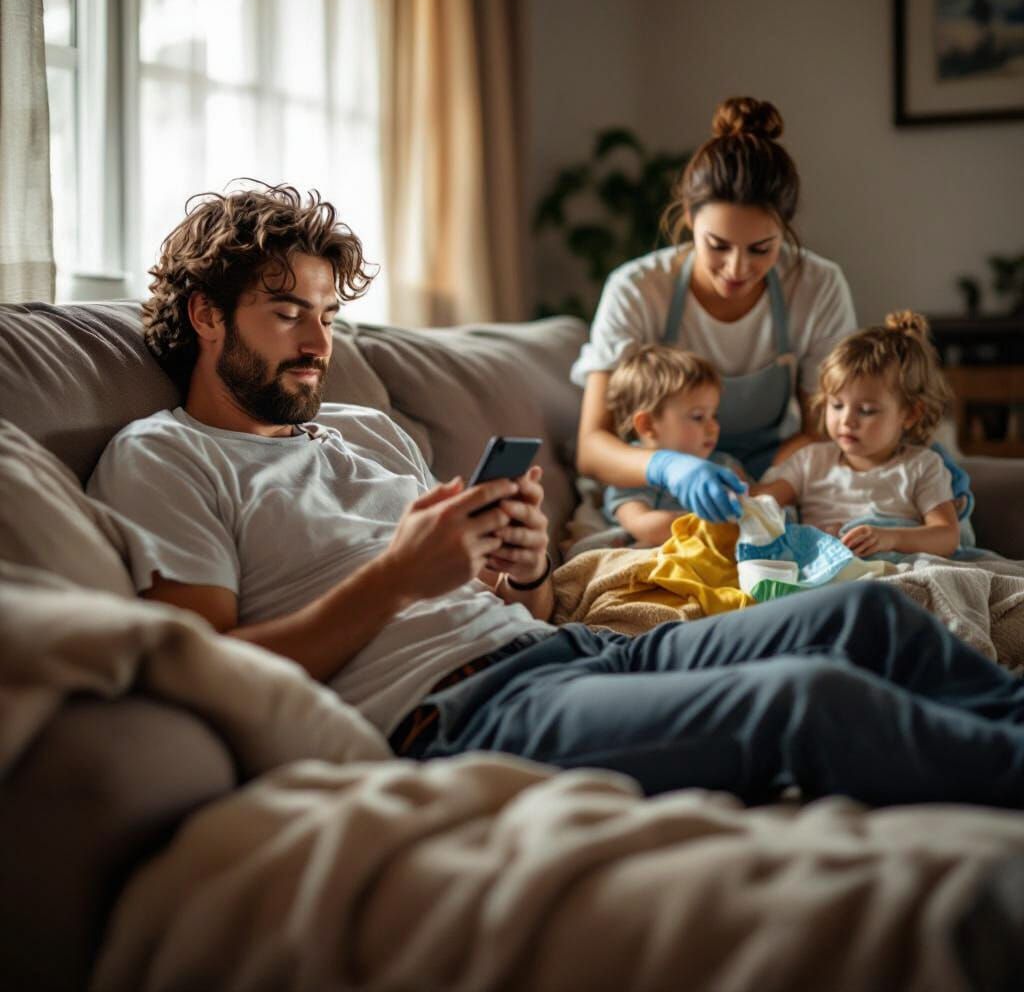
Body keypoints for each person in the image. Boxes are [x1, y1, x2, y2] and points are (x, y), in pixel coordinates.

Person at [88, 183, 1024, 809]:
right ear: (207, 314)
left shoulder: (365, 429)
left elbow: (521, 605)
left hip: (561, 649)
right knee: (807, 702)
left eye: (327, 315)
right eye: (287, 311)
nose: (318, 342)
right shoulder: (165, 458)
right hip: (457, 717)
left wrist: (524, 565)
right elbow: (206, 671)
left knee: (863, 619)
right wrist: (398, 581)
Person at [573, 96, 857, 523]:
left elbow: (821, 431)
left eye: (762, 248)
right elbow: (592, 446)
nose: (738, 269)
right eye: (717, 246)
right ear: (688, 216)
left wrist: (761, 493)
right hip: (662, 484)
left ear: (786, 227)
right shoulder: (636, 290)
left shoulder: (818, 287)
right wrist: (670, 467)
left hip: (777, 469)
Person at [752, 311, 959, 558]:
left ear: (910, 414)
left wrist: (890, 537)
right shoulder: (810, 462)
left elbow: (947, 536)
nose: (846, 420)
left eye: (866, 410)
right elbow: (759, 504)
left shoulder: (921, 466)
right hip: (830, 575)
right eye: (837, 405)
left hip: (895, 570)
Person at [603, 344, 745, 545]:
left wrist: (789, 482)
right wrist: (717, 523)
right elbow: (645, 527)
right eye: (698, 417)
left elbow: (755, 500)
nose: (714, 427)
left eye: (714, 415)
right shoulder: (630, 477)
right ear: (648, 424)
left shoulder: (722, 464)